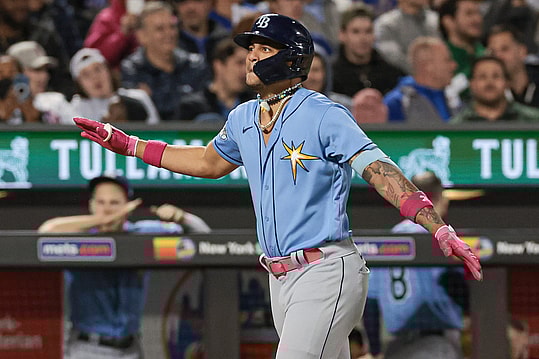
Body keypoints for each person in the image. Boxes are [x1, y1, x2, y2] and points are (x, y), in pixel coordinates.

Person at [73, 13, 482, 359]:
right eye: (250, 47)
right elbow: (207, 161)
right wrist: (128, 144)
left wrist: (436, 225)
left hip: (326, 268)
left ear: (291, 59)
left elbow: (379, 170)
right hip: (279, 277)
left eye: (263, 48)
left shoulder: (324, 114)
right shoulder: (244, 117)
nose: (250, 55)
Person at [38, 174, 211, 359]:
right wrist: (102, 220)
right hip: (87, 348)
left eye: (114, 203)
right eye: (101, 202)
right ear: (91, 205)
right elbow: (45, 231)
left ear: (128, 207)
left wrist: (182, 217)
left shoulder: (141, 234)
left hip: (131, 348)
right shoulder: (79, 236)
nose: (107, 209)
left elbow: (204, 236)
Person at [367, 171, 468, 359]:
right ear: (439, 197)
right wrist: (471, 312)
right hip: (435, 342)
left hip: (397, 346)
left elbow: (370, 304)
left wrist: (375, 350)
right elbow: (451, 280)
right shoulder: (436, 234)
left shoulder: (389, 239)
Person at [120, 1, 211, 121]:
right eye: (160, 29)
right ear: (142, 36)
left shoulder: (194, 65)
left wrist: (151, 97)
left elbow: (202, 106)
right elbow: (138, 113)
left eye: (172, 27)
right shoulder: (132, 69)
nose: (169, 33)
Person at [66, 47, 160, 125]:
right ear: (79, 84)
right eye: (86, 75)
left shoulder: (138, 98)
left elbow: (157, 133)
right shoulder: (75, 109)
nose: (95, 77)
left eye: (98, 69)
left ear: (108, 70)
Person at [333, 4, 405, 98]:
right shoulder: (330, 75)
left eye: (368, 31)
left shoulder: (391, 73)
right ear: (342, 35)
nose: (363, 39)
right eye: (356, 32)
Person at [383, 36, 459, 124]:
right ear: (428, 66)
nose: (454, 65)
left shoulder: (453, 99)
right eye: (447, 60)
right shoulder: (398, 103)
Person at [178, 37, 255, 122]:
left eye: (248, 64)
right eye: (239, 63)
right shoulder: (192, 108)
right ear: (218, 66)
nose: (245, 70)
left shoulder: (254, 106)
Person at [450, 56, 539, 123]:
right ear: (472, 84)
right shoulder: (457, 125)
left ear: (507, 82)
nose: (489, 82)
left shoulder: (533, 120)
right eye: (482, 77)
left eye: (496, 76)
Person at [7, 40, 70, 124]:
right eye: (36, 70)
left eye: (45, 70)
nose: (45, 76)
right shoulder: (4, 108)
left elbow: (82, 133)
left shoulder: (56, 102)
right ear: (15, 73)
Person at [374, 0, 441, 74]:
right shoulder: (386, 24)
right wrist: (426, 72)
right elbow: (394, 59)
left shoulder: (436, 20)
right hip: (406, 79)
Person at [438, 0, 485, 101]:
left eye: (478, 13)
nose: (477, 19)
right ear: (449, 22)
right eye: (469, 14)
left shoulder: (488, 52)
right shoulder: (439, 58)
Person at [486, 25, 539, 108]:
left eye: (504, 49)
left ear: (522, 52)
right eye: (493, 52)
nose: (498, 56)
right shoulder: (487, 94)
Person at [83, 0, 143, 70]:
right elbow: (95, 59)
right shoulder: (106, 18)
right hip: (121, 73)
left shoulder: (153, 12)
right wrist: (122, 34)